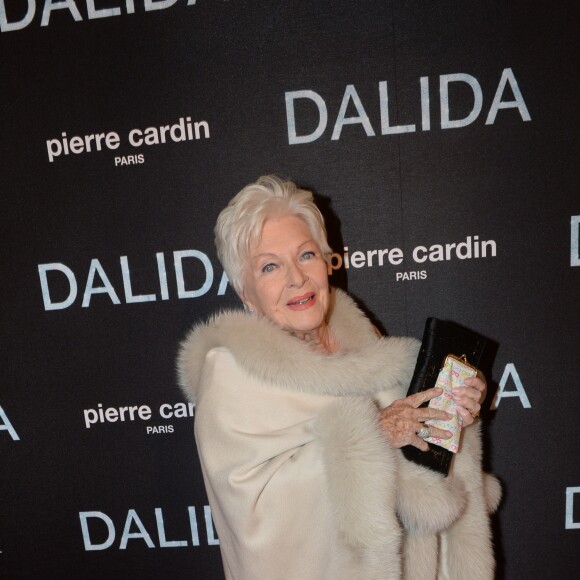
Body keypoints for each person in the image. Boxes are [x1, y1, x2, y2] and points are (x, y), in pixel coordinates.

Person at [178, 175, 501, 580]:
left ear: (328, 261)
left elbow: (420, 459)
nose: (296, 278)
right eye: (270, 266)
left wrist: (456, 410)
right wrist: (367, 441)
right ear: (246, 293)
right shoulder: (231, 376)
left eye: (306, 255)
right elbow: (256, 518)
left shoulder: (365, 343)